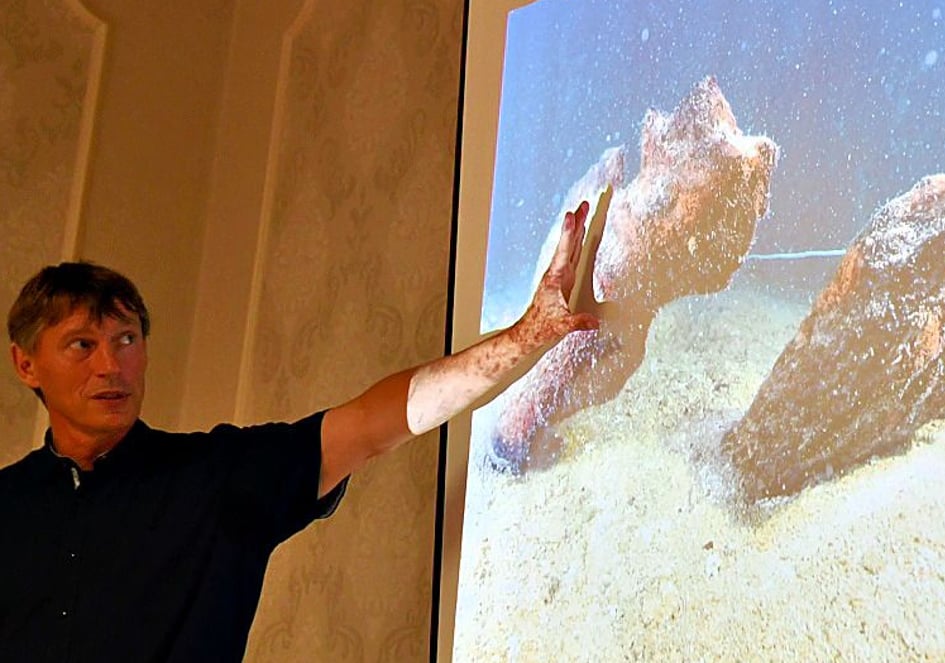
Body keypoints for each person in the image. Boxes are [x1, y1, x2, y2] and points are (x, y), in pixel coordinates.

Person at [0, 201, 600, 662]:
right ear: (26, 364)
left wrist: (524, 338)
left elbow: (369, 425)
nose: (112, 365)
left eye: (127, 340)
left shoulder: (217, 477)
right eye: (83, 344)